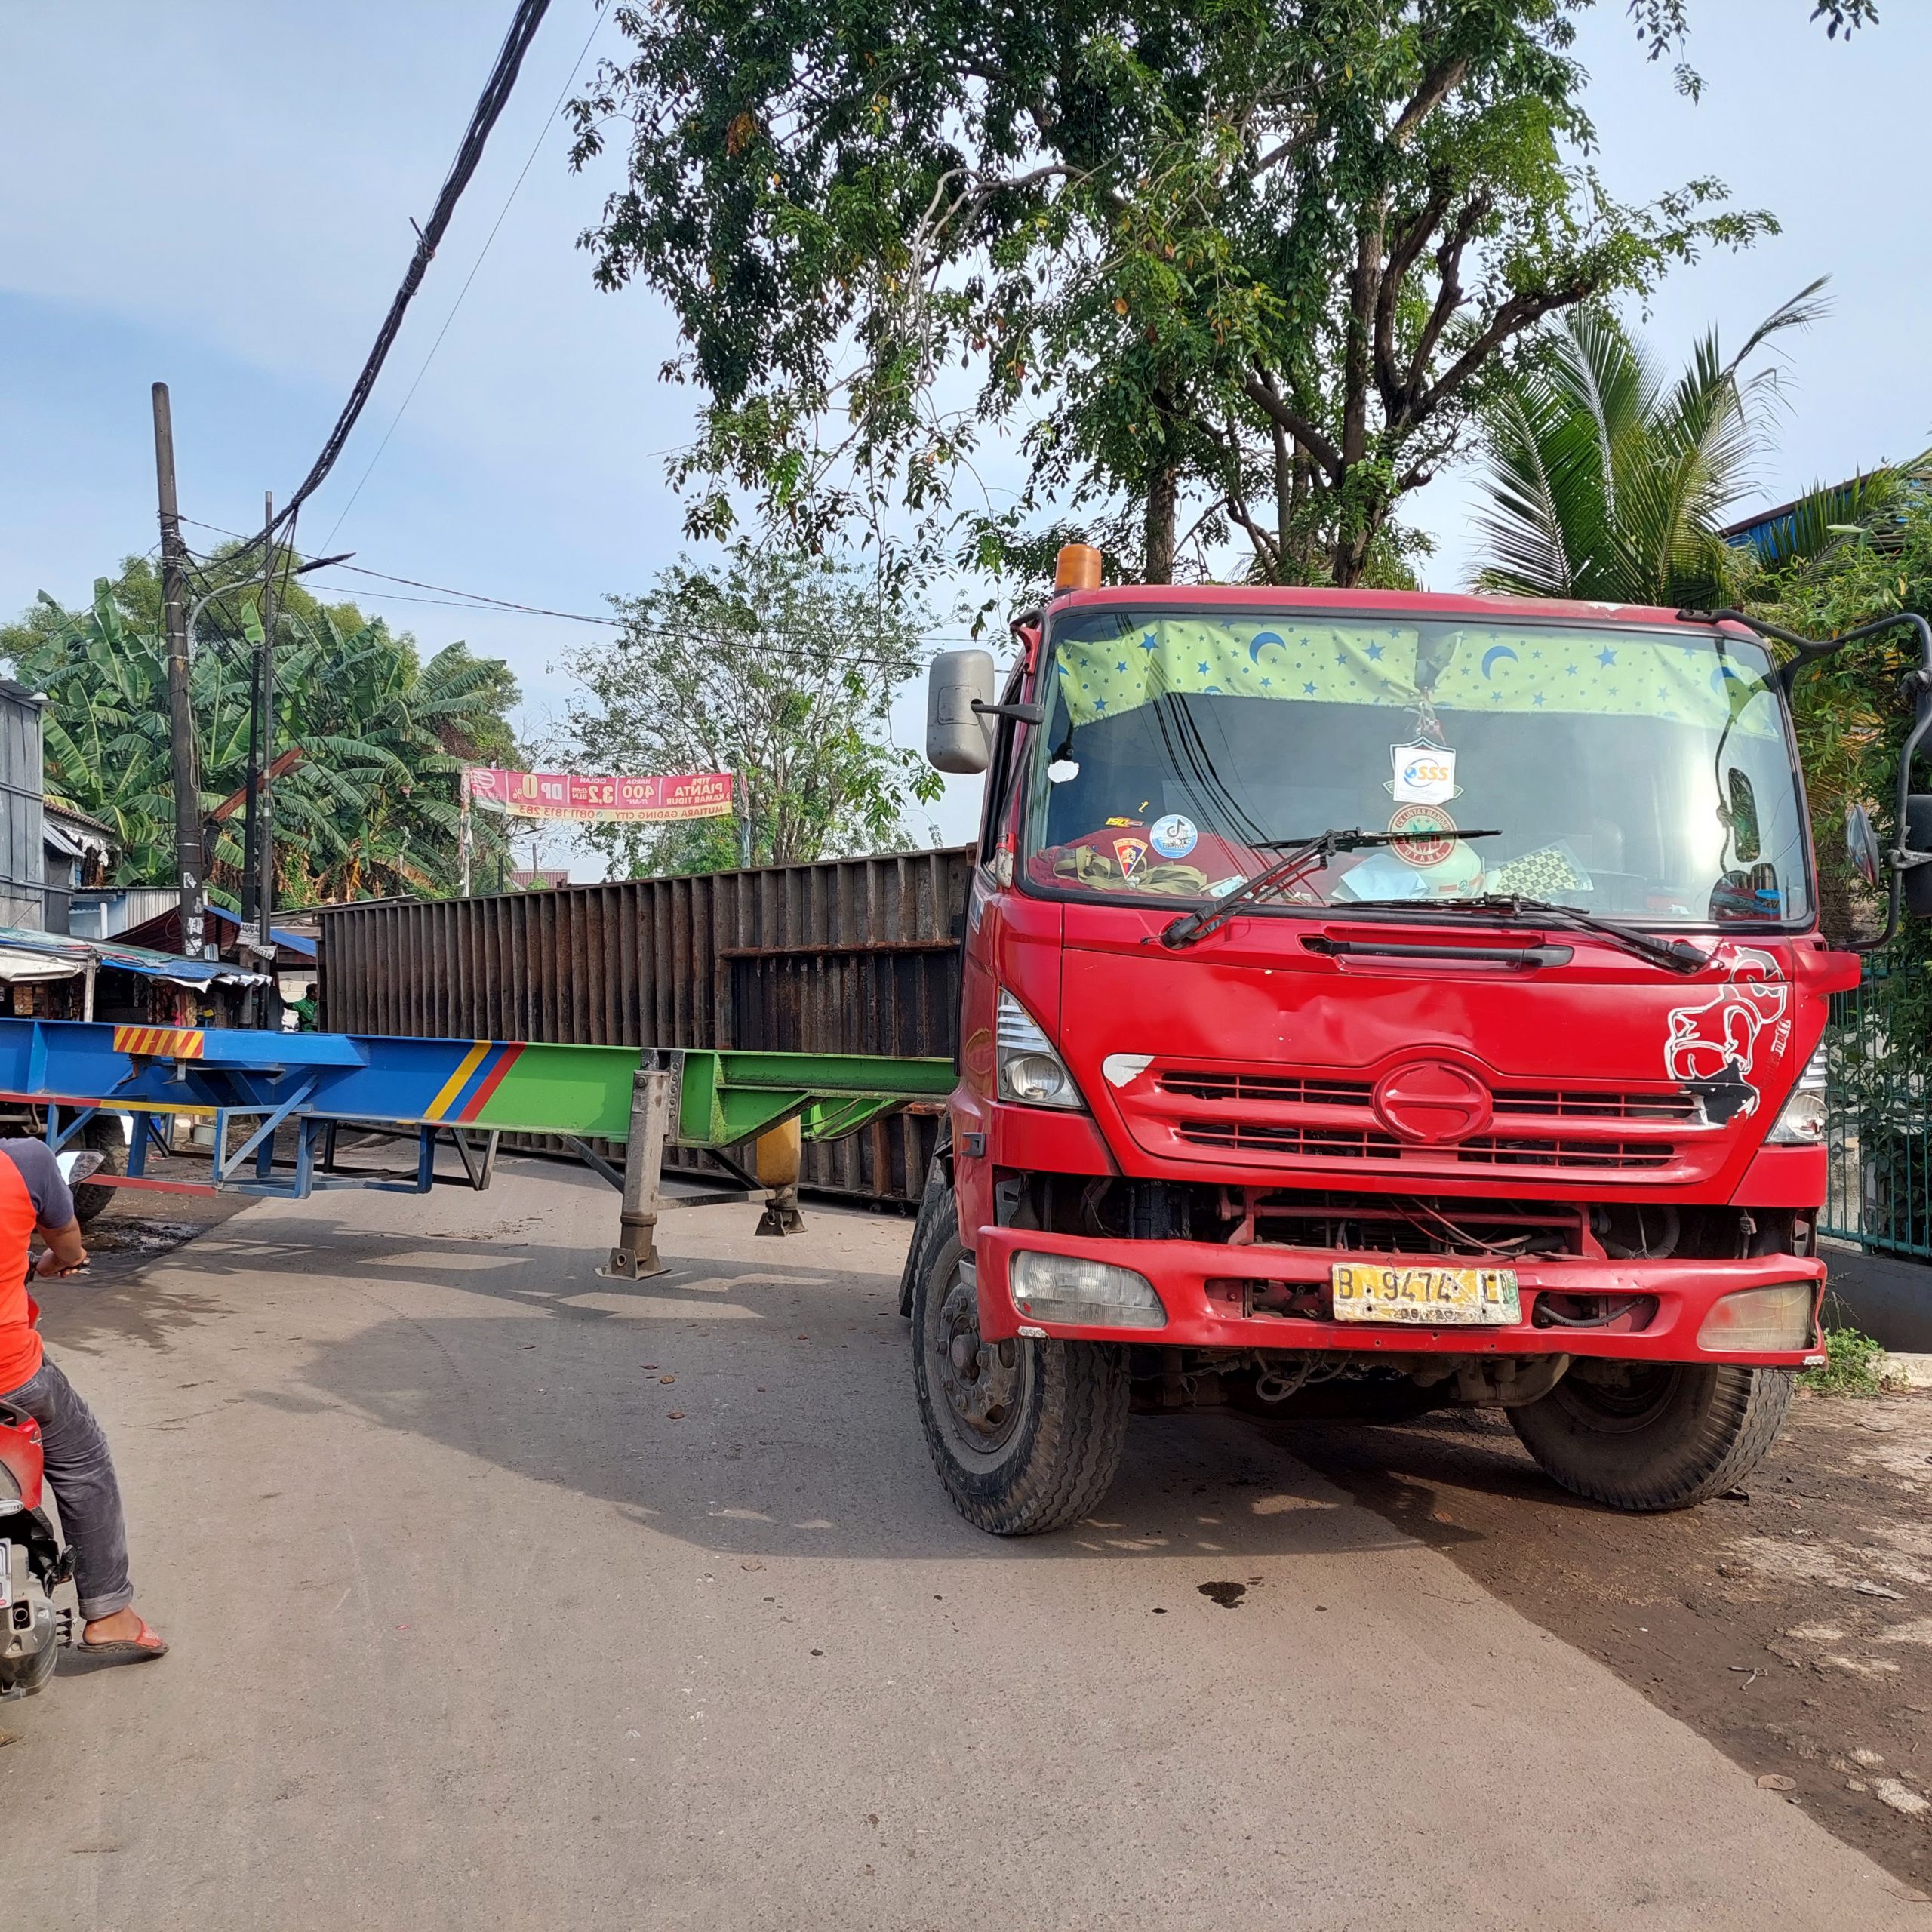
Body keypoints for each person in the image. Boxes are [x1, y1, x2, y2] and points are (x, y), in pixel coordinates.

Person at [0, 1141, 166, 1663]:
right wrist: (53, 1261)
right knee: (83, 1457)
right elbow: (68, 1247)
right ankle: (108, 1610)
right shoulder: (25, 1161)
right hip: (11, 1378)